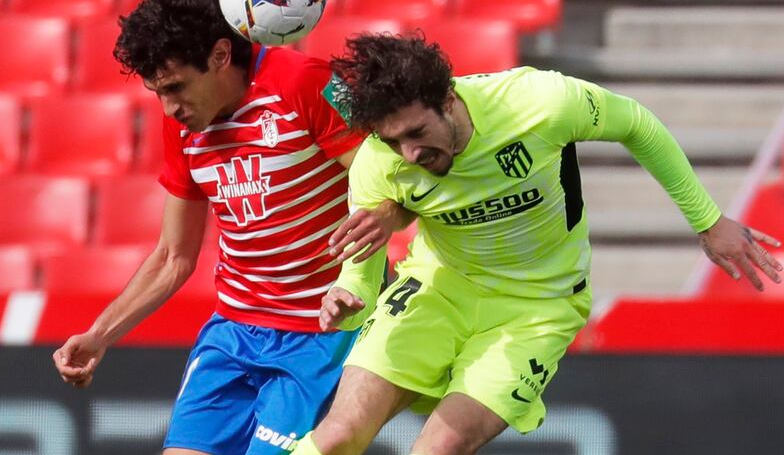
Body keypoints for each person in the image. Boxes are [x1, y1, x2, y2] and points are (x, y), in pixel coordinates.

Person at [292, 32, 784, 455]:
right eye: (394, 141)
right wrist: (348, 296)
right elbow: (359, 276)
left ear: (447, 99)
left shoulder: (538, 102)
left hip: (537, 306)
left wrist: (707, 220)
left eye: (417, 134)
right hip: (438, 289)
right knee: (336, 437)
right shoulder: (379, 163)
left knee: (440, 446)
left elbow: (636, 123)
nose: (410, 154)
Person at [52, 0, 403, 455]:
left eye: (176, 87)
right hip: (233, 332)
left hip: (319, 335)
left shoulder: (305, 83)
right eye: (158, 92)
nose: (169, 106)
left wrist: (383, 225)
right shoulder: (181, 126)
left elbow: (388, 181)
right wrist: (99, 335)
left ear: (220, 55)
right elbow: (174, 255)